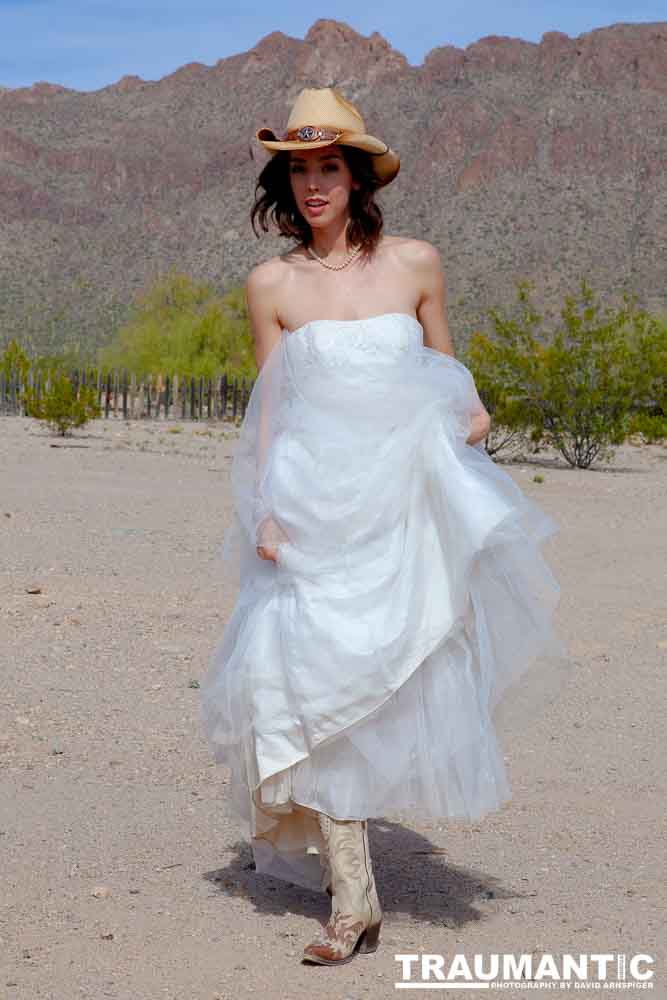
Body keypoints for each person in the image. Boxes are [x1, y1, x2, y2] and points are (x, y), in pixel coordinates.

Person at [200, 87, 568, 967]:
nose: (313, 185)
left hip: (398, 515)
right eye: (297, 170)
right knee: (315, 691)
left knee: (377, 685)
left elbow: (464, 402)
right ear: (282, 183)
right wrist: (267, 509)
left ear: (358, 176)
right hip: (314, 515)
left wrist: (431, 449)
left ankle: (354, 895)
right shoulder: (273, 283)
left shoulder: (415, 265)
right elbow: (271, 415)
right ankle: (352, 901)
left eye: (327, 167)